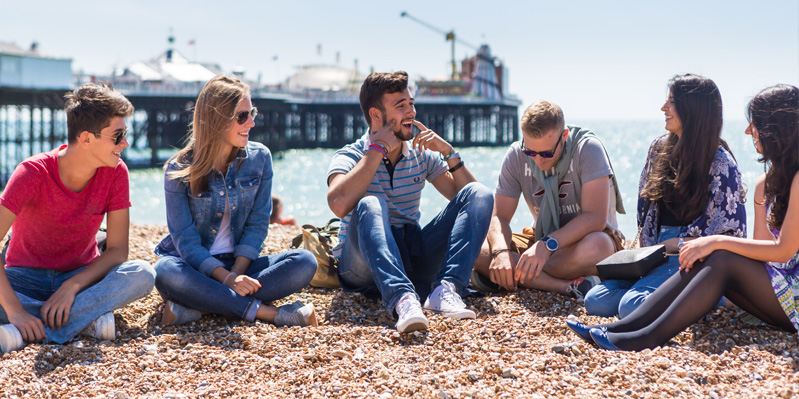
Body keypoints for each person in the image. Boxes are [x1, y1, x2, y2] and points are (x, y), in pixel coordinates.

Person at [568, 84, 799, 351]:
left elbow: (783, 251)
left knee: (719, 255)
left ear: (779, 128)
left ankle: (645, 338)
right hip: (774, 294)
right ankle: (621, 329)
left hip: (793, 299)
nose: (748, 131)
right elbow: (763, 256)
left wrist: (714, 242)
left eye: (756, 123)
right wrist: (708, 248)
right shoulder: (763, 184)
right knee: (711, 254)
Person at [326, 71, 493, 333]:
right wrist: (376, 152)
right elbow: (337, 204)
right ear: (376, 115)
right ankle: (402, 300)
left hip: (410, 257)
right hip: (359, 268)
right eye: (400, 106)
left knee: (480, 193)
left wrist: (449, 152)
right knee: (370, 204)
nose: (411, 112)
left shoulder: (420, 154)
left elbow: (466, 197)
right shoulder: (351, 154)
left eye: (411, 103)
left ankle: (446, 289)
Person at [0, 83, 156, 354]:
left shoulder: (116, 172)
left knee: (143, 274)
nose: (126, 143)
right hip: (23, 278)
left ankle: (32, 331)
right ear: (86, 138)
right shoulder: (31, 173)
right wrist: (14, 310)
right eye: (117, 136)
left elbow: (118, 251)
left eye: (126, 134)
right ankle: (84, 323)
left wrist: (71, 287)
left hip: (81, 279)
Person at [153, 76, 318, 328]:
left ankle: (201, 307)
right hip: (194, 269)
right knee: (165, 270)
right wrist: (228, 279)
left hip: (242, 265)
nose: (251, 122)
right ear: (216, 120)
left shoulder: (260, 157)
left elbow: (258, 224)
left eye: (251, 113)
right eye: (241, 116)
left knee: (305, 262)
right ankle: (267, 314)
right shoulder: (178, 169)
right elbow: (185, 242)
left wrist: (238, 273)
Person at [583, 74, 746, 318]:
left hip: (693, 259)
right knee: (596, 300)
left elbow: (731, 235)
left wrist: (676, 244)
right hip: (654, 252)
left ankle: (720, 296)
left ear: (692, 109)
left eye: (672, 102)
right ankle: (702, 299)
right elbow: (644, 209)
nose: (663, 107)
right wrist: (647, 250)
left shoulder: (721, 163)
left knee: (631, 306)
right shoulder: (658, 148)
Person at [472, 100, 625, 299]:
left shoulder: (588, 148)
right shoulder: (516, 155)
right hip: (540, 239)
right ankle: (566, 286)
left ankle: (511, 276)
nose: (538, 160)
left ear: (564, 136)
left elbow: (595, 218)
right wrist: (500, 252)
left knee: (598, 246)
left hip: (586, 239)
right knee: (475, 243)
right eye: (530, 152)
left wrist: (546, 246)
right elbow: (499, 217)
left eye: (546, 153)